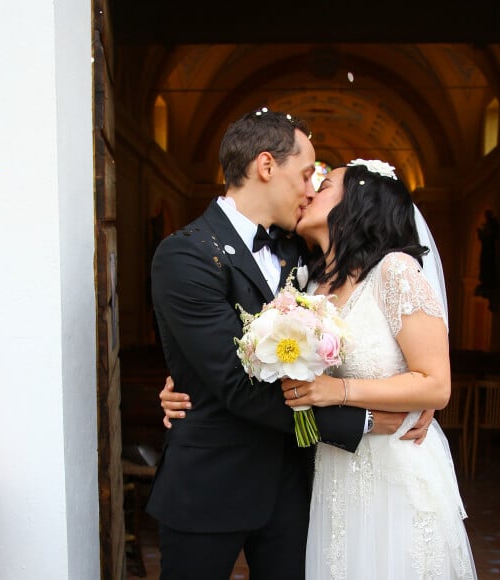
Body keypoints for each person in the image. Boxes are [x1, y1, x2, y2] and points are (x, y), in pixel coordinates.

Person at [148, 110, 432, 580]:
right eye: (305, 175)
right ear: (265, 166)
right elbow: (237, 385)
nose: (310, 190)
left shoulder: (306, 253)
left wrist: (416, 389)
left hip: (297, 487)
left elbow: (372, 329)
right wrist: (361, 421)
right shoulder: (185, 254)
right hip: (210, 484)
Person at [280, 159, 477, 578]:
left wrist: (339, 391)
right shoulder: (311, 287)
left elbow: (436, 384)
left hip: (395, 468)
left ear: (358, 201)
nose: (311, 192)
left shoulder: (395, 271)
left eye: (326, 184)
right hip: (334, 470)